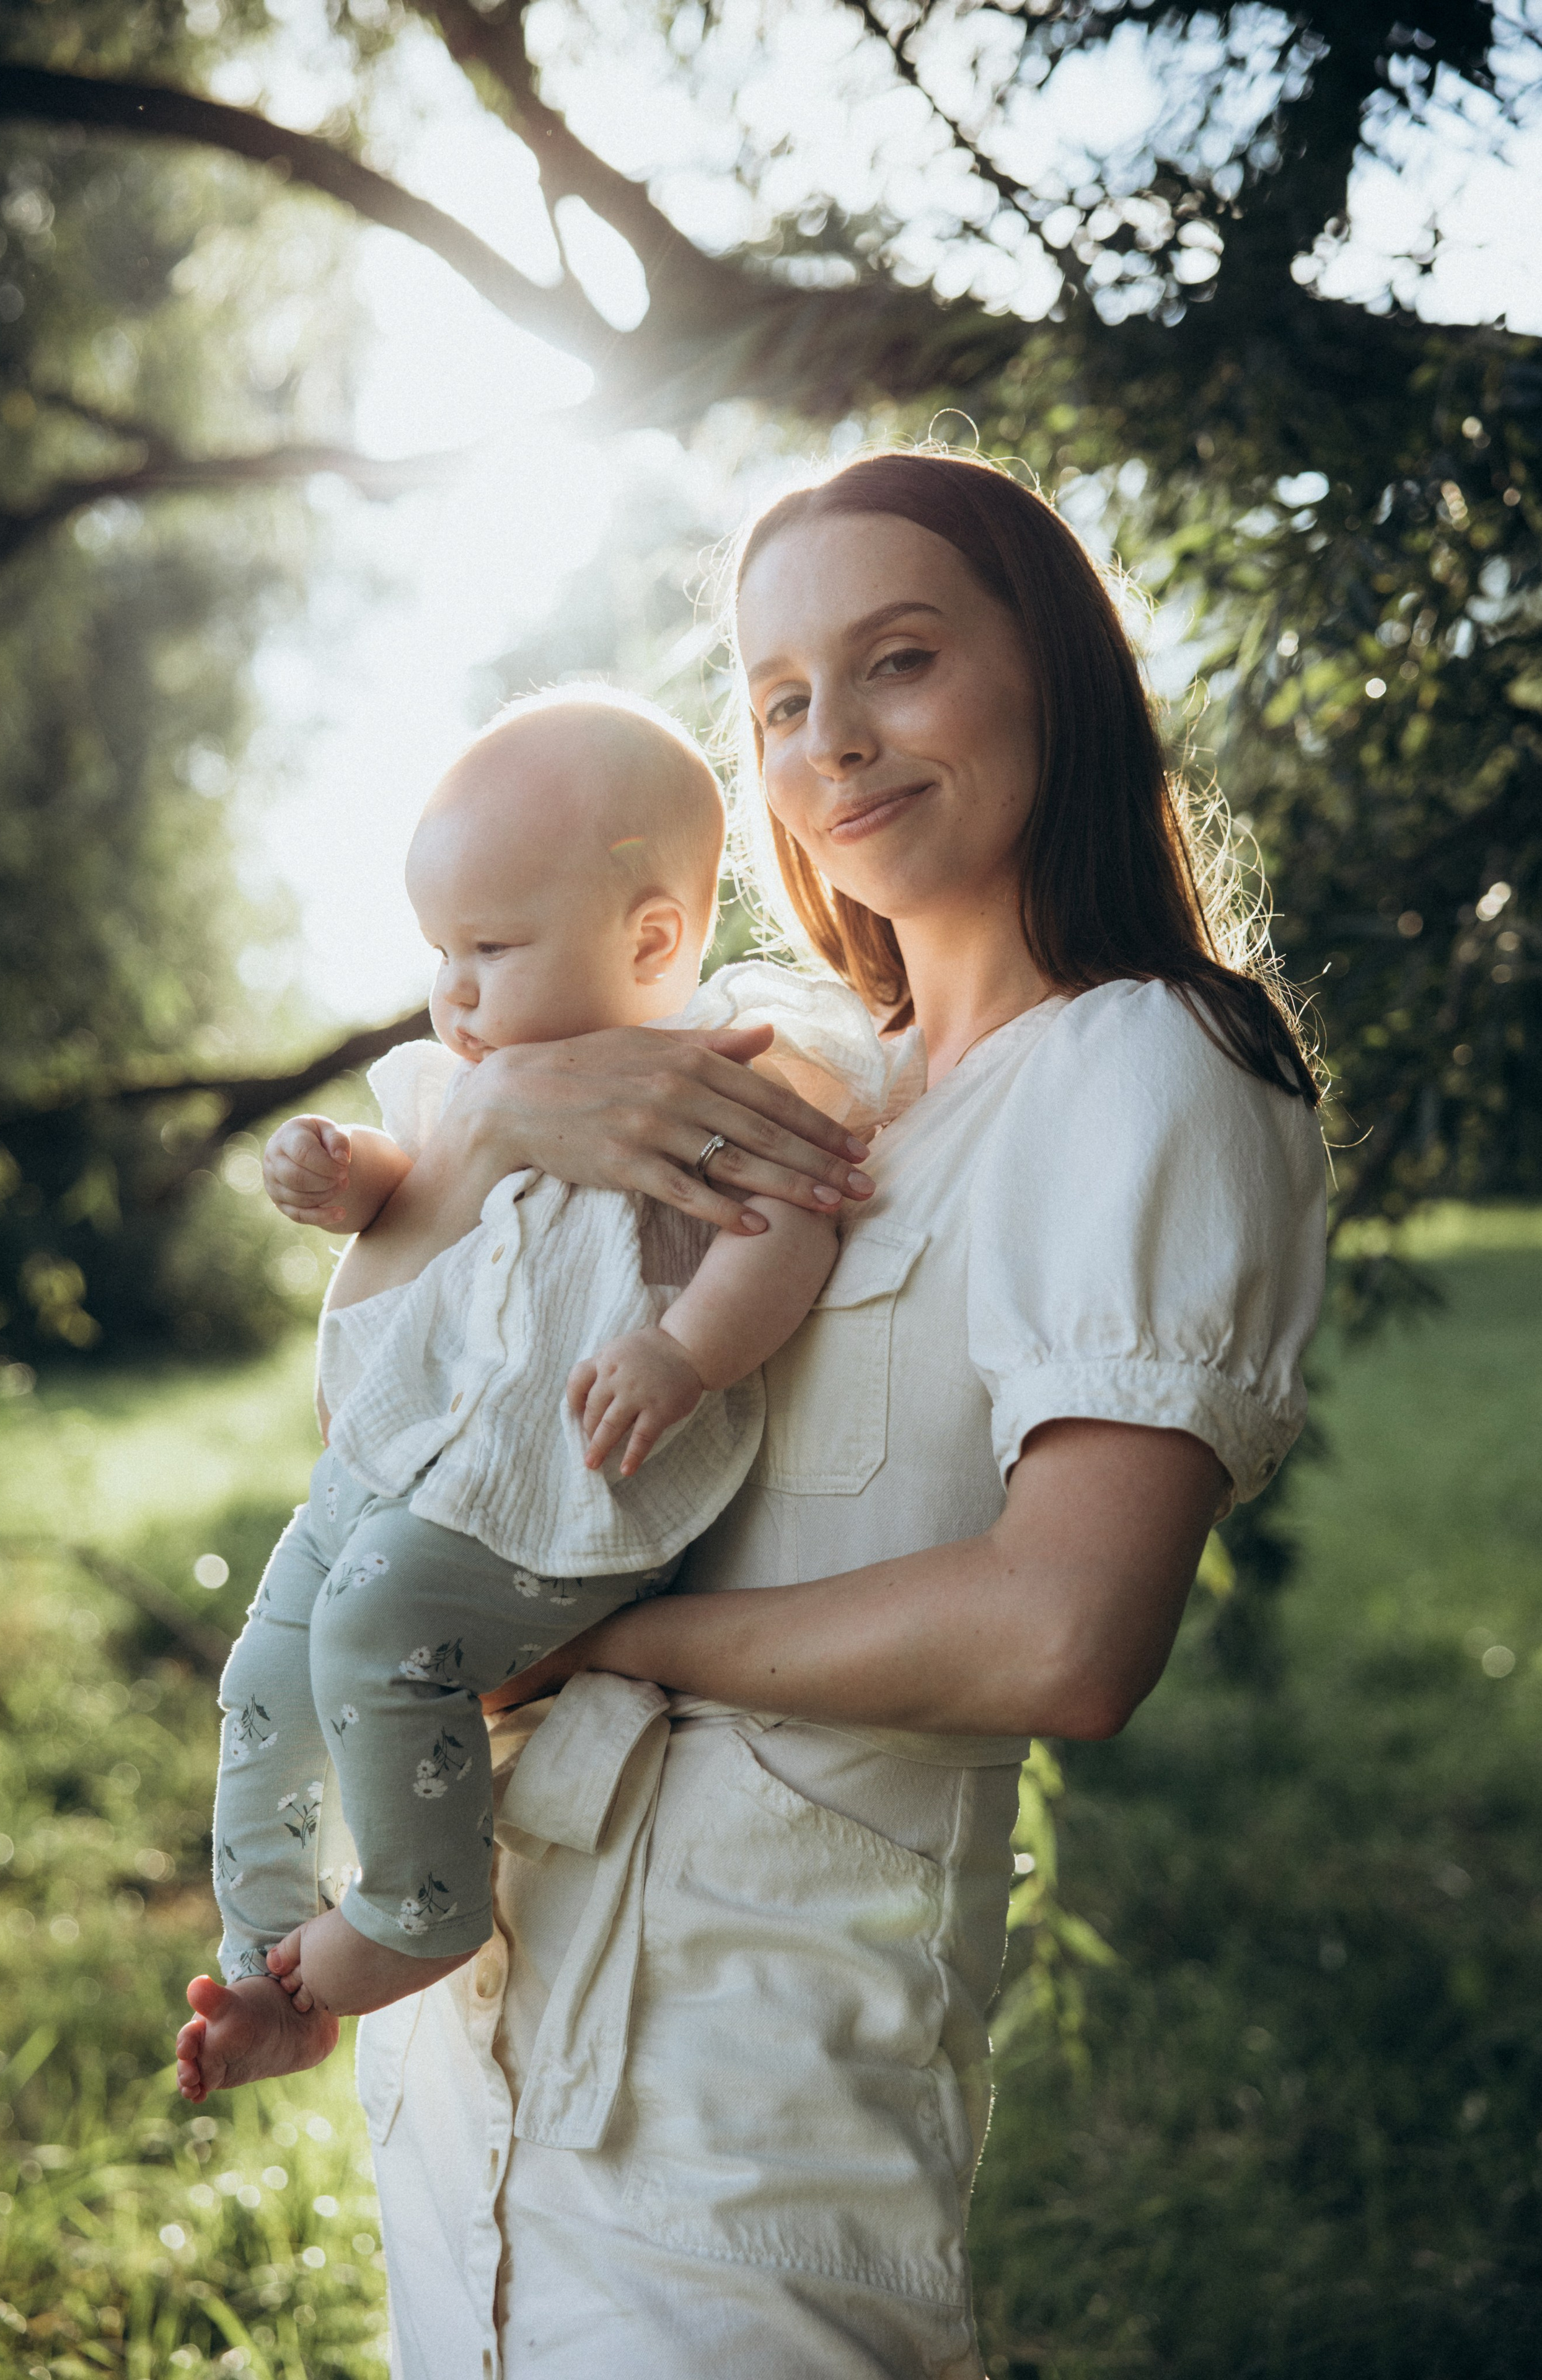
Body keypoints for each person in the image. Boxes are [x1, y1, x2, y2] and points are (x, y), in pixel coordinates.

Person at [325, 450, 1330, 2379]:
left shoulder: (1145, 1067)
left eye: (901, 662)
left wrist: (600, 1637)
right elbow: (393, 1407)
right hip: (484, 2049)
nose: (834, 742)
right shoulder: (802, 1071)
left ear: (1054, 672)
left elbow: (1068, 1632)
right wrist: (494, 1133)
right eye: (782, 700)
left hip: (749, 2095)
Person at [175, 687, 917, 2107]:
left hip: (549, 1482)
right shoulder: (462, 1077)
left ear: (646, 937)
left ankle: (415, 1905)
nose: (452, 991)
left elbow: (796, 1220)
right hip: (397, 1461)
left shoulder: (728, 1054)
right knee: (267, 1673)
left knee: (376, 1632)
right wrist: (349, 1179)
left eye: (490, 948)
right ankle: (267, 1948)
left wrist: (685, 1351)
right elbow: (416, 1200)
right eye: (438, 953)